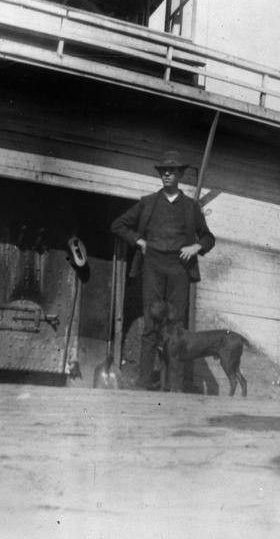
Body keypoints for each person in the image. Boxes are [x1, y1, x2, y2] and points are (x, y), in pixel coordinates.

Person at [111, 150, 215, 390]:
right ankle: (144, 384)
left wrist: (196, 246)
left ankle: (175, 389)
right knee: (150, 326)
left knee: (176, 328)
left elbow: (209, 237)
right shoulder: (148, 203)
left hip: (179, 269)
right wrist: (140, 241)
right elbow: (118, 225)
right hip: (153, 267)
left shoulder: (190, 207)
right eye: (163, 171)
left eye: (172, 171)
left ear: (180, 175)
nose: (167, 174)